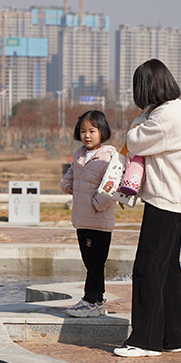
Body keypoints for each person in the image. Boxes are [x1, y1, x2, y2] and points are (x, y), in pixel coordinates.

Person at [114, 59, 181, 357]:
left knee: (147, 269)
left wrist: (139, 120)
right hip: (171, 200)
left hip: (164, 200)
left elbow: (134, 141)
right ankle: (171, 338)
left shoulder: (166, 115)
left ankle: (144, 341)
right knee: (166, 271)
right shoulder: (172, 110)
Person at [60, 110, 118, 318]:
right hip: (81, 219)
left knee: (95, 262)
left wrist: (96, 204)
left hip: (98, 219)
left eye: (92, 131)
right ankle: (98, 300)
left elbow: (113, 185)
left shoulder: (109, 156)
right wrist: (66, 184)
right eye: (83, 131)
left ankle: (90, 300)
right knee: (89, 261)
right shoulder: (79, 154)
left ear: (102, 131)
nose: (87, 135)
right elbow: (71, 173)